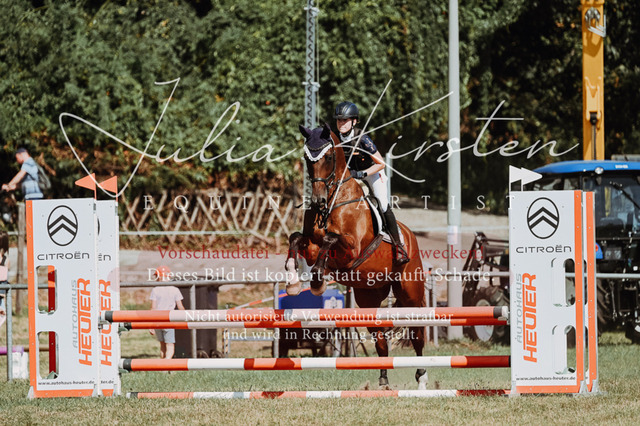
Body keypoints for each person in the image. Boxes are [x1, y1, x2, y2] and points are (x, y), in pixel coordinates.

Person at [334, 101, 409, 265]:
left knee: (382, 204)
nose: (341, 123)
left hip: (372, 173)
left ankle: (398, 246)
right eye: (339, 120)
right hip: (352, 176)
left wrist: (362, 173)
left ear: (354, 121)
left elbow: (381, 163)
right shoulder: (335, 138)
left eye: (345, 120)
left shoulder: (363, 139)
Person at [149, 265, 185, 359]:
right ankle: (167, 362)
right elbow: (180, 307)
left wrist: (151, 324)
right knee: (170, 345)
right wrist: (185, 318)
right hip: (169, 320)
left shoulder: (155, 290)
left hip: (157, 320)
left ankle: (163, 363)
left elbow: (153, 308)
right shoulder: (175, 290)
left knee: (162, 345)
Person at [0, 231, 9, 327]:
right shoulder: (5, 259)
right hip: (1, 289)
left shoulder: (4, 259)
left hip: (1, 290)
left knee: (2, 314)